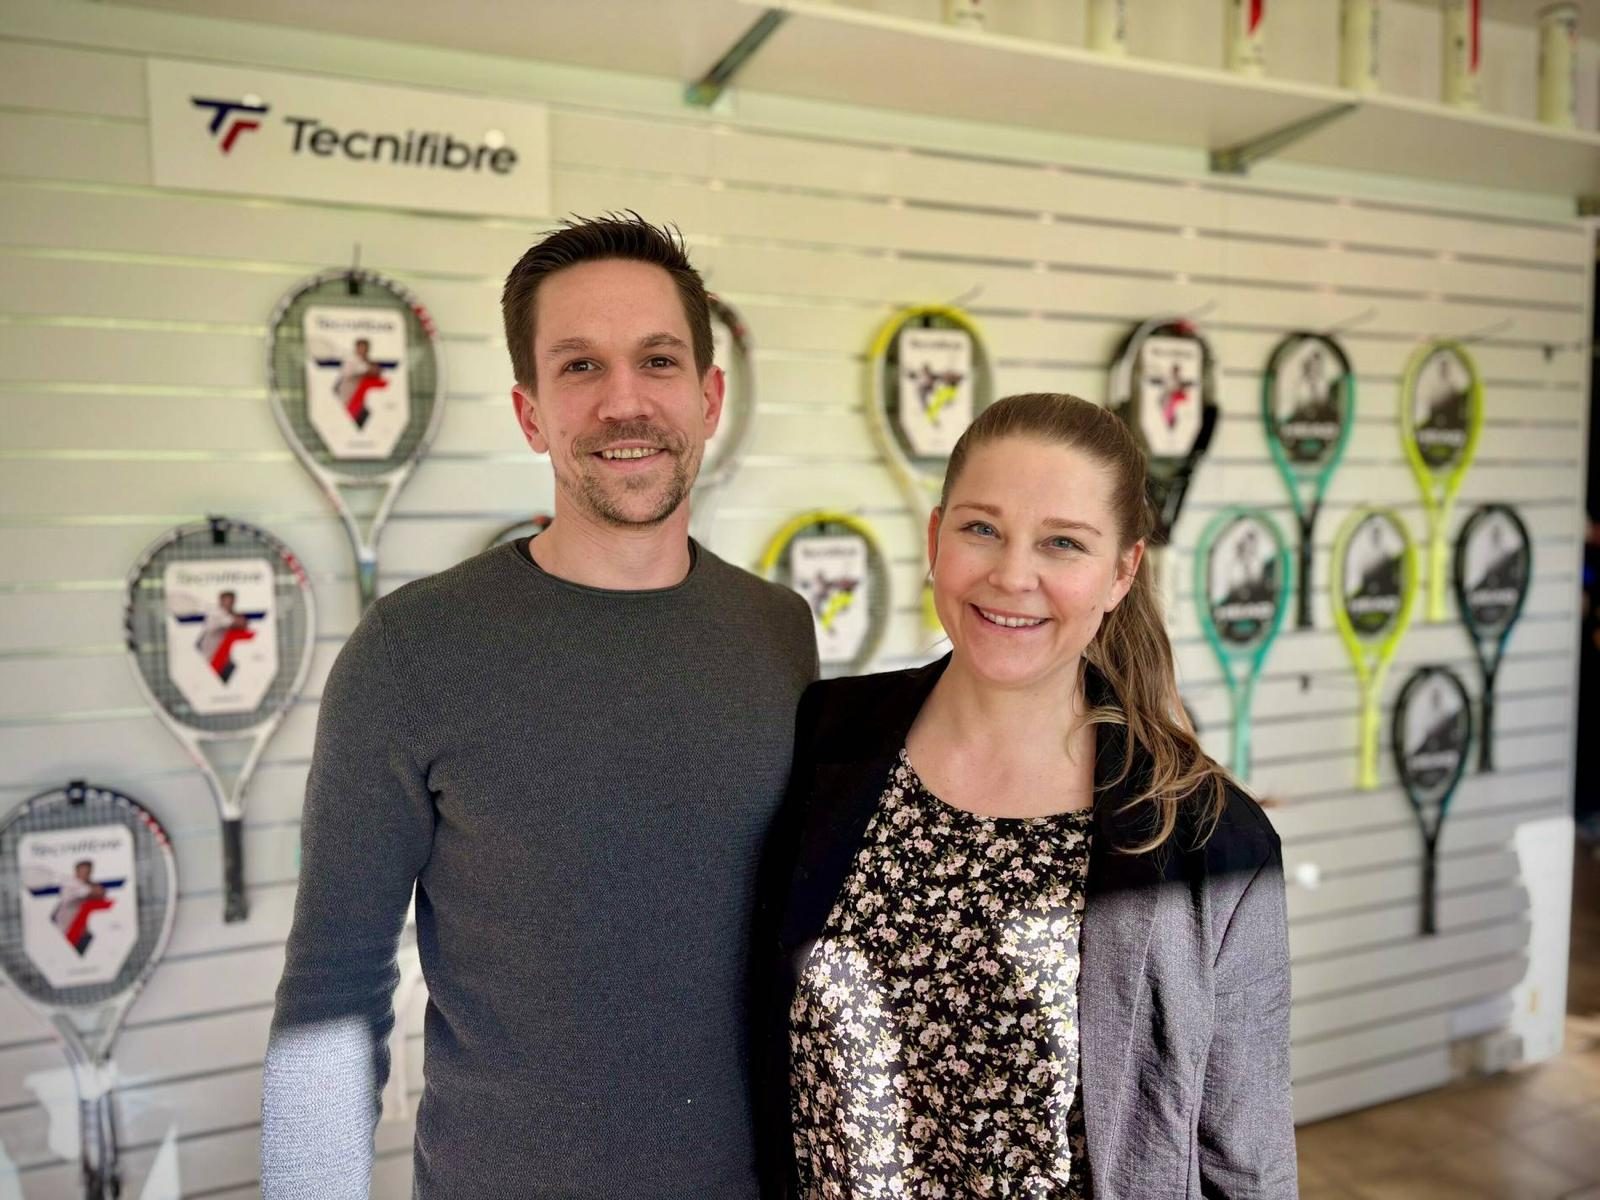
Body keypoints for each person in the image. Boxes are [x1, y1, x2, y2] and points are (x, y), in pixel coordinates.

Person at [262, 214, 818, 1199]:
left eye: (657, 360)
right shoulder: (413, 650)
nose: (623, 401)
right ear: (530, 414)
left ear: (708, 398)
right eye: (579, 366)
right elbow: (332, 994)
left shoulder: (779, 632)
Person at [757, 393, 1297, 1199]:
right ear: (935, 540)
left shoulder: (1211, 838)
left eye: (1062, 543)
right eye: (982, 529)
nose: (1012, 576)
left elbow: (1244, 1163)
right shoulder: (825, 738)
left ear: (1122, 572)